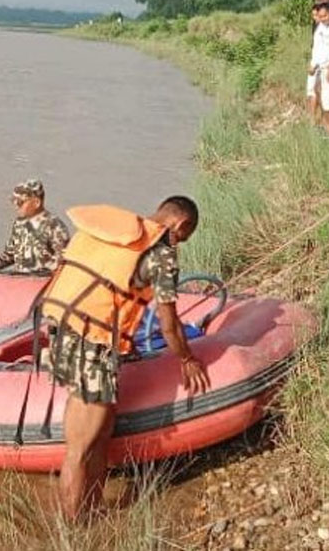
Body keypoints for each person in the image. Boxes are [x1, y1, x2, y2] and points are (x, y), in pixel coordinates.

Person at [38, 196, 209, 519]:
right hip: (93, 343)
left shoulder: (109, 231)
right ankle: (73, 530)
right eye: (183, 237)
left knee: (102, 431)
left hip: (61, 329)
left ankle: (94, 508)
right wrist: (187, 359)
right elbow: (168, 324)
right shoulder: (161, 254)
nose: (179, 243)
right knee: (80, 447)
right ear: (181, 225)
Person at [0, 179, 70, 275]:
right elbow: (9, 256)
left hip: (43, 284)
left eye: (20, 202)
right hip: (20, 282)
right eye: (13, 200)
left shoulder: (55, 226)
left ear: (37, 202)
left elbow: (63, 264)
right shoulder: (19, 223)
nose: (15, 205)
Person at [308, 2, 329, 128]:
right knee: (319, 95)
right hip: (320, 67)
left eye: (325, 16)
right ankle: (327, 127)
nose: (322, 19)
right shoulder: (319, 28)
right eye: (320, 16)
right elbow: (317, 48)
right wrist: (313, 64)